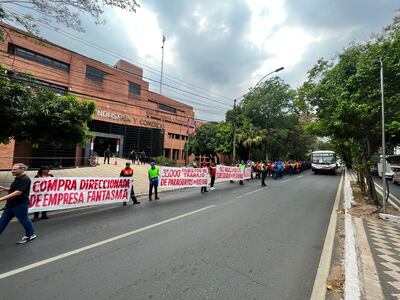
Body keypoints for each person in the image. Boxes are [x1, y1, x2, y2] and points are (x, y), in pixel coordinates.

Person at [0, 163, 36, 244]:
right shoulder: (18, 178)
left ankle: (30, 234)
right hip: (11, 205)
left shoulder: (25, 179)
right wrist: (4, 188)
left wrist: (1, 199)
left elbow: (18, 192)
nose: (12, 171)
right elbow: (14, 189)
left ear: (22, 169)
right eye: (12, 169)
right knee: (2, 221)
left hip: (20, 205)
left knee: (24, 219)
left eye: (15, 169)